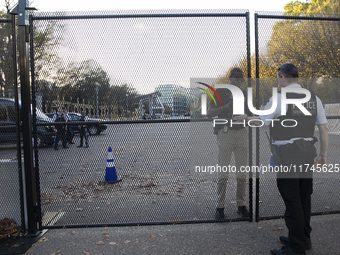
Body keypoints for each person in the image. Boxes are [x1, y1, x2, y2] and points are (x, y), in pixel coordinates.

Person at [235, 63, 329, 255]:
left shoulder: (279, 98)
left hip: (288, 155)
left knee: (292, 199)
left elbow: (262, 121)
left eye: (278, 78)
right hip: (308, 153)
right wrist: (323, 155)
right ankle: (304, 238)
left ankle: (296, 246)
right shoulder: (314, 98)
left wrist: (245, 117)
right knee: (304, 197)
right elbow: (324, 128)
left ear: (282, 77)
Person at [207, 67, 251, 219]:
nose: (239, 81)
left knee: (242, 173)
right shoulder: (220, 92)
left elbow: (252, 113)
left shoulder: (245, 94)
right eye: (236, 78)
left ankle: (241, 205)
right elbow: (209, 112)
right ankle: (220, 207)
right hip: (225, 131)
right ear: (230, 78)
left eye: (241, 79)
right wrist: (226, 107)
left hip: (241, 132)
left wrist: (246, 115)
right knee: (223, 172)